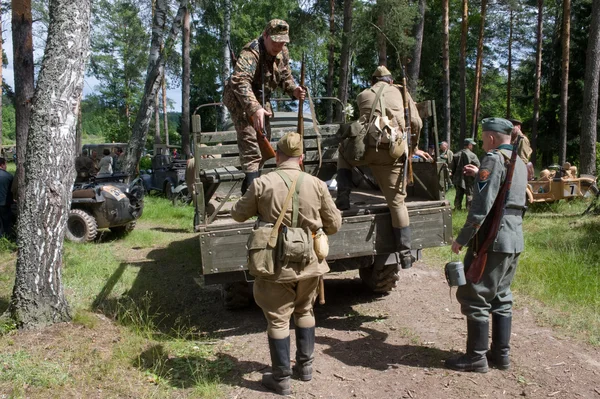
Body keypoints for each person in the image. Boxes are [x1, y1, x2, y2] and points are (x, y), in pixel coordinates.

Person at [231, 133, 342, 396]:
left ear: (277, 155)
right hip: (310, 263)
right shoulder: (317, 184)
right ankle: (305, 369)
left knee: (278, 320)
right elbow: (335, 225)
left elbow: (237, 214)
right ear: (301, 157)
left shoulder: (262, 183)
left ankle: (281, 378)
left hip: (274, 265)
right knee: (305, 311)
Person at [446, 117, 527, 373]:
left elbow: (481, 207)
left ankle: (476, 358)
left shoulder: (493, 159)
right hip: (513, 238)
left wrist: (462, 238)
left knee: (475, 293)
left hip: (492, 238)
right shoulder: (520, 162)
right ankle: (500, 356)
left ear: (491, 137)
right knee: (501, 295)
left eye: (483, 137)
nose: (482, 142)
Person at [335, 65, 429, 270]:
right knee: (397, 204)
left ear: (373, 81)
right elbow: (416, 122)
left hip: (365, 150)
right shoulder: (401, 92)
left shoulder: (363, 95)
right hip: (390, 152)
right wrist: (414, 148)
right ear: (390, 79)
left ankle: (343, 198)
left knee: (342, 152)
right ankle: (404, 255)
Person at [222, 19, 306, 194]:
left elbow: (285, 76)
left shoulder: (283, 52)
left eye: (283, 41)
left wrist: (294, 90)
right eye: (275, 40)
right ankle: (253, 196)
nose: (279, 45)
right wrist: (255, 108)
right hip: (240, 98)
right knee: (250, 141)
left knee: (264, 140)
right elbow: (239, 81)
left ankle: (254, 186)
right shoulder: (251, 52)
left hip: (261, 98)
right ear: (265, 35)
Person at [451, 138, 480, 210]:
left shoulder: (456, 155)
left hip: (458, 179)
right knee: (470, 194)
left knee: (458, 194)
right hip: (469, 178)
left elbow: (452, 168)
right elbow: (478, 166)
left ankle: (457, 208)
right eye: (472, 145)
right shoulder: (473, 155)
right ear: (469, 145)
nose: (472, 147)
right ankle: (469, 209)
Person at [0, 157, 14, 237]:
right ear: (2, 165)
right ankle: (7, 236)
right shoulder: (9, 176)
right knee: (6, 222)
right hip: (4, 203)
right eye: (6, 164)